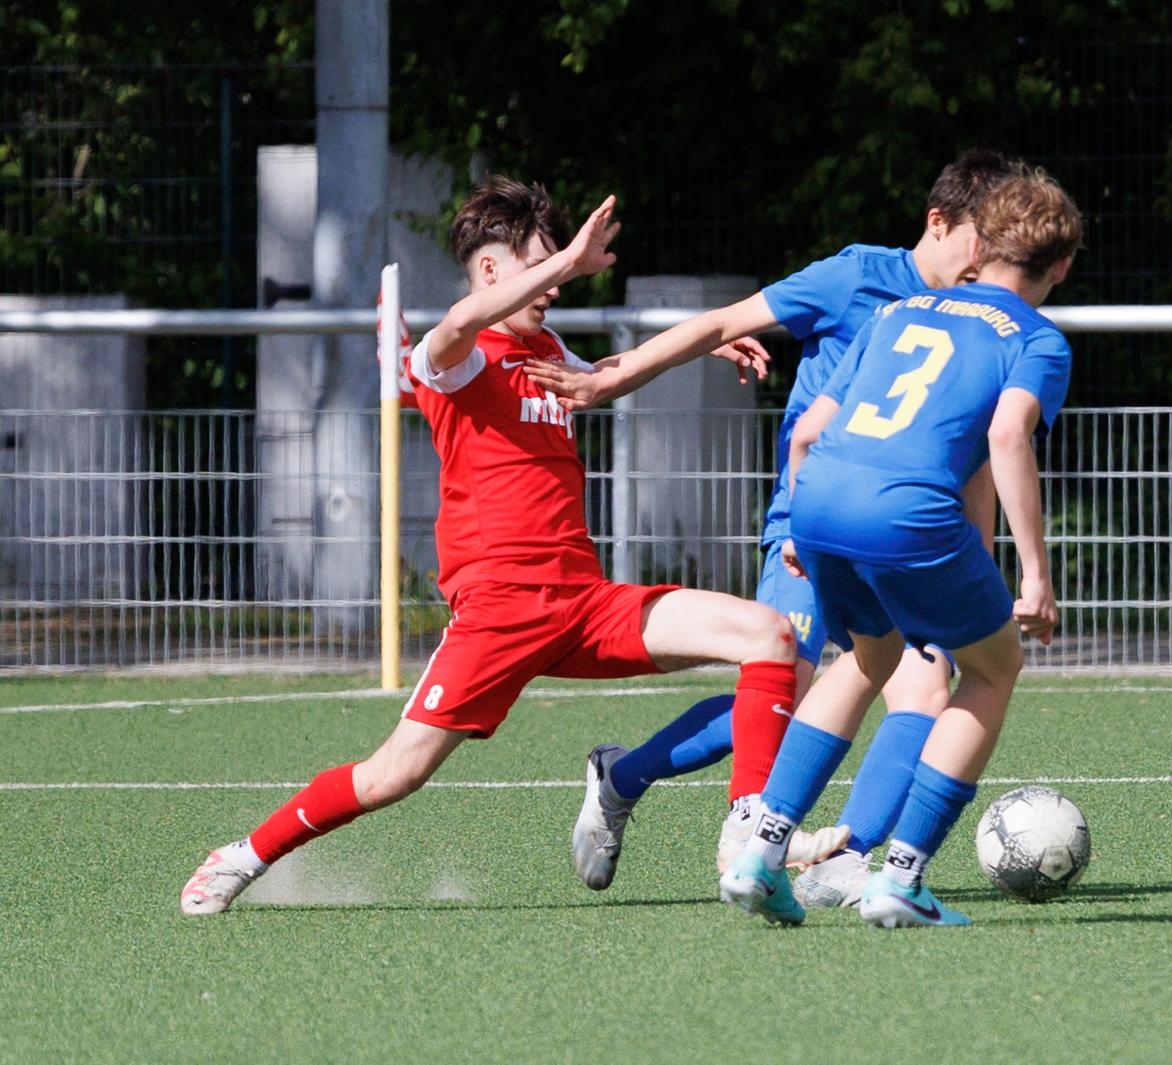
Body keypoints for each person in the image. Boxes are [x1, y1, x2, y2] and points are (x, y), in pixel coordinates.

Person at [180, 176, 804, 914]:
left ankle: (746, 833)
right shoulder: (455, 355)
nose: (555, 287)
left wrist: (708, 339)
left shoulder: (547, 349)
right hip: (500, 615)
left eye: (558, 269)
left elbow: (610, 374)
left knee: (768, 634)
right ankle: (241, 857)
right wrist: (570, 260)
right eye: (541, 268)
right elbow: (458, 322)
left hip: (586, 605)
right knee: (392, 775)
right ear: (490, 268)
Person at [527, 151, 1025, 901]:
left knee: (924, 688)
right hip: (812, 521)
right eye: (981, 241)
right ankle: (632, 780)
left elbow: (977, 454)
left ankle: (845, 857)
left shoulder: (979, 317)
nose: (988, 263)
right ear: (938, 222)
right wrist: (611, 378)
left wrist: (976, 565)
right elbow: (723, 321)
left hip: (902, 536)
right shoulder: (857, 277)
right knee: (781, 684)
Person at [717, 168, 1082, 928]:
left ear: (979, 247)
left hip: (819, 499)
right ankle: (902, 876)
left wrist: (802, 524)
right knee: (994, 668)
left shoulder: (898, 310)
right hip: (907, 512)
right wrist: (1036, 576)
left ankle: (759, 852)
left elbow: (808, 431)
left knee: (865, 658)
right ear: (1062, 265)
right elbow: (1007, 437)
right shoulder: (1037, 339)